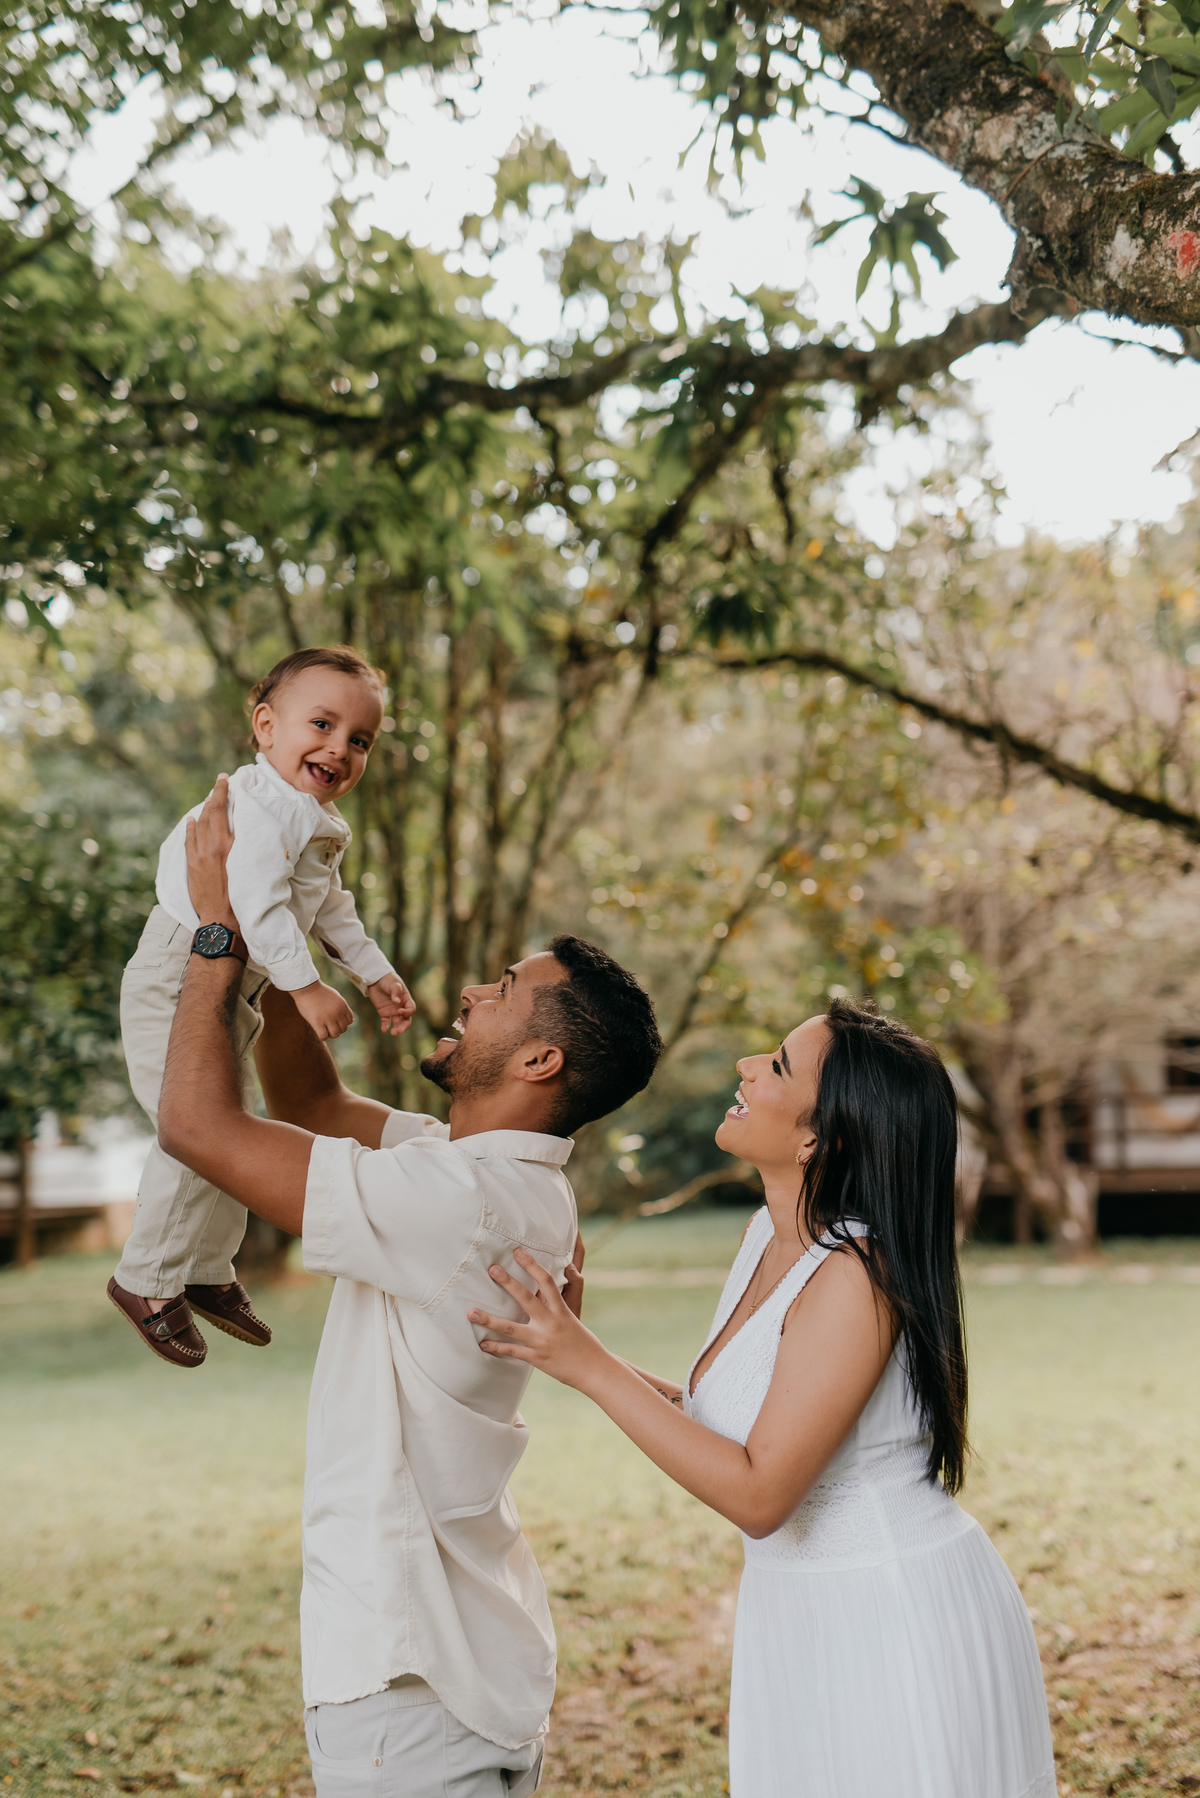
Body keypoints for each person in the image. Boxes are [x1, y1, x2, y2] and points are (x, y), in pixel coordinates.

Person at [154, 778, 664, 1796]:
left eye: (503, 989)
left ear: (538, 1056)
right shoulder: (502, 1177)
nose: (471, 992)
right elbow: (306, 1096)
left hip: (408, 1686)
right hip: (466, 1674)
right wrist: (286, 930)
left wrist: (216, 933)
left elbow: (198, 1127)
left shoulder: (457, 1196)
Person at [468, 999, 1057, 1798]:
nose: (747, 1066)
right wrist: (573, 1344)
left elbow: (760, 1491)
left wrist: (591, 1366)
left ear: (821, 1137)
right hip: (803, 1611)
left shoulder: (856, 1276)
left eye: (777, 1065)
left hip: (889, 1615)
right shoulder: (768, 1236)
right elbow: (731, 1422)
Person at [108, 645, 415, 1365]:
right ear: (266, 726)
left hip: (230, 985)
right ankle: (144, 1279)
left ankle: (207, 1269)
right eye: (322, 723)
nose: (339, 747)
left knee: (231, 1130)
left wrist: (374, 973)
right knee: (193, 1131)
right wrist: (306, 987)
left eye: (360, 739)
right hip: (177, 972)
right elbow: (254, 901)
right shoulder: (256, 803)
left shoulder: (314, 821)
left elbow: (332, 908)